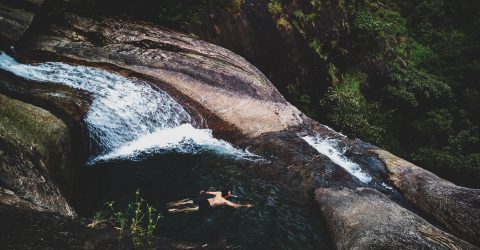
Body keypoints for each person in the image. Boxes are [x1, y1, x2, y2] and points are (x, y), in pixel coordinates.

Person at [167, 189, 254, 213]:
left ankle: (173, 204)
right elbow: (235, 205)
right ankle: (175, 210)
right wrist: (246, 205)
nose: (230, 194)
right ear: (227, 195)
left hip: (204, 199)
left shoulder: (219, 193)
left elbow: (208, 192)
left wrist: (203, 191)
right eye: (229, 193)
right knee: (190, 209)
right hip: (206, 204)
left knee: (188, 202)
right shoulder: (224, 200)